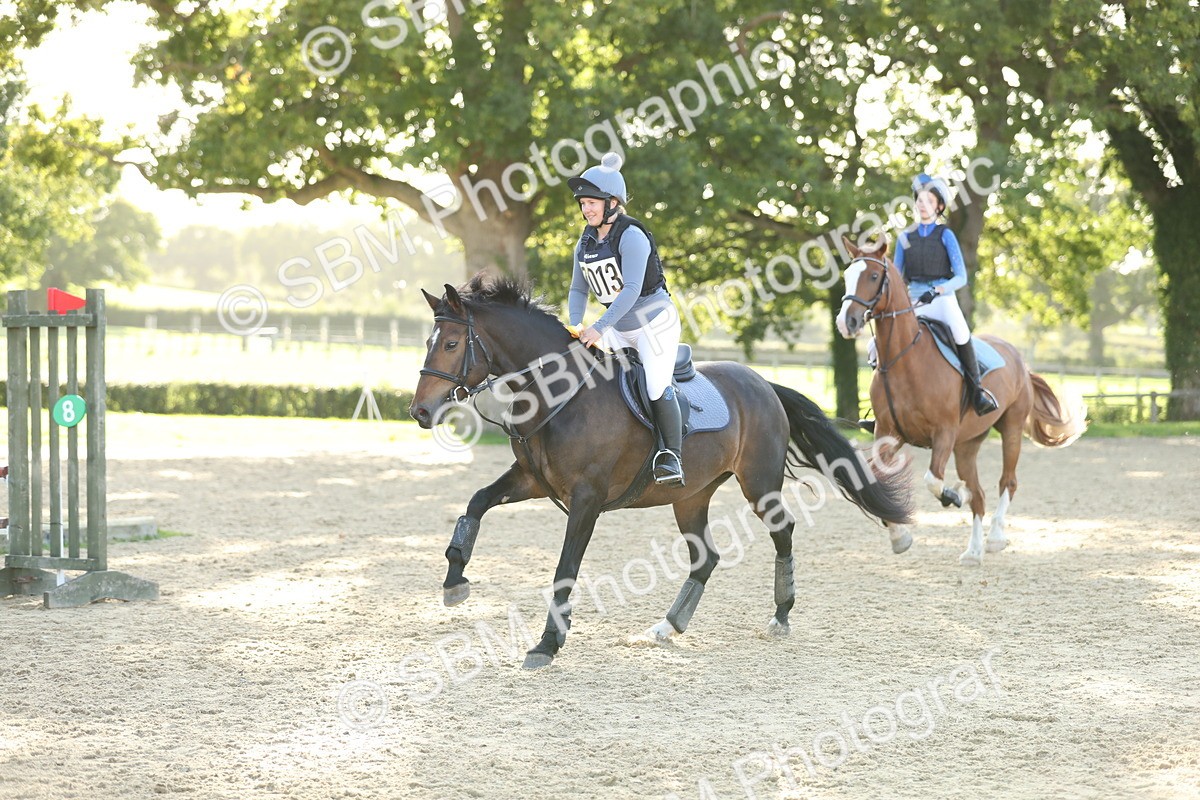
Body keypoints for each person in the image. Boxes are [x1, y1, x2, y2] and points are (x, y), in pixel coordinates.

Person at [566, 152, 685, 486]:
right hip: (617, 328)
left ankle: (671, 456)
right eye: (583, 203)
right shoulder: (585, 242)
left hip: (654, 323)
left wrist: (598, 328)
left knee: (655, 385)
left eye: (592, 202)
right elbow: (578, 289)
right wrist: (577, 325)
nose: (586, 209)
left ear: (613, 203)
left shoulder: (632, 235)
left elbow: (631, 290)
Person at [895, 173, 998, 416]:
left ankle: (977, 392)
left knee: (961, 332)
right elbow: (897, 277)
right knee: (875, 344)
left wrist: (938, 290)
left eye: (929, 201)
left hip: (940, 299)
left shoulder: (946, 235)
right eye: (919, 200)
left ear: (939, 206)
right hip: (913, 301)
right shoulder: (904, 238)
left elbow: (961, 277)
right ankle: (882, 404)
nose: (922, 205)